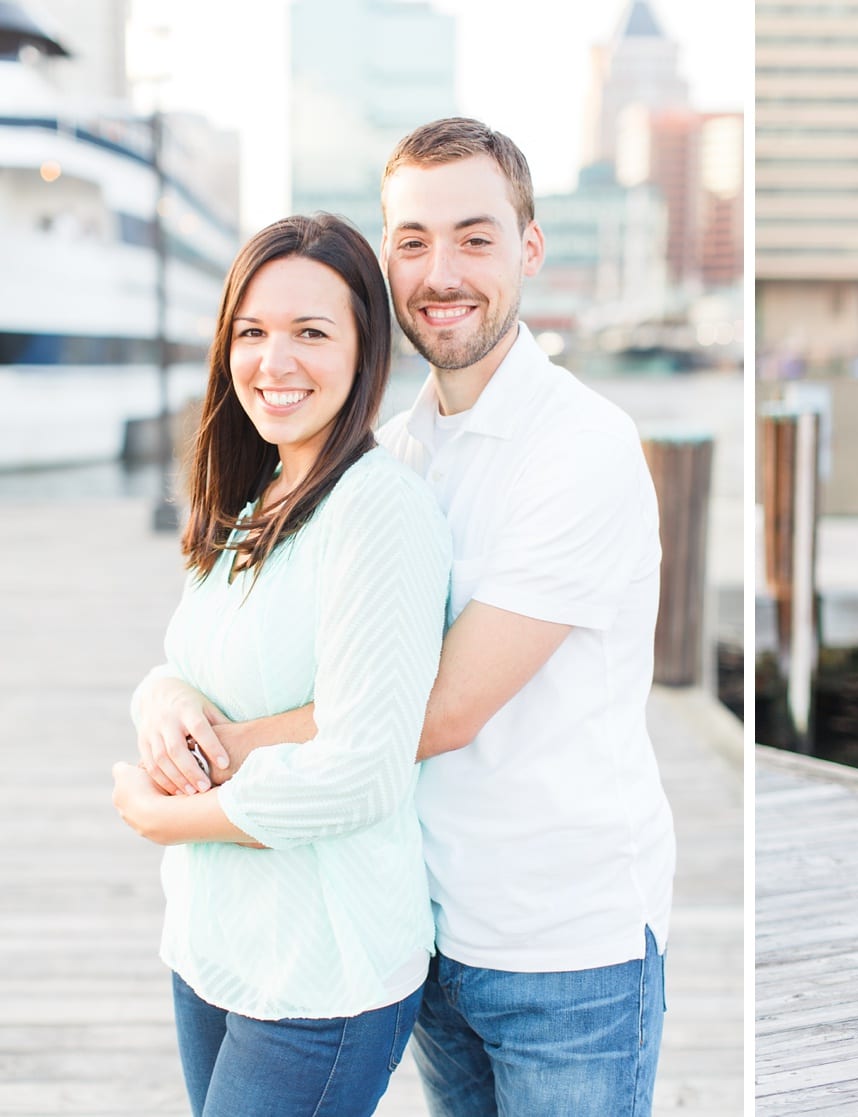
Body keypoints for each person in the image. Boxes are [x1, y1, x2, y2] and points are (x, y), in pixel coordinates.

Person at [134, 118, 675, 1116]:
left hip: (560, 944)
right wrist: (168, 693)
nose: (442, 272)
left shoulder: (580, 446)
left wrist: (205, 763)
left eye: (475, 237)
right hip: (428, 929)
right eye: (414, 240)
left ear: (530, 246)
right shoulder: (393, 451)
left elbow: (437, 710)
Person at [111, 213, 451, 1116]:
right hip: (218, 943)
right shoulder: (258, 488)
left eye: (311, 332)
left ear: (365, 346)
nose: (275, 362)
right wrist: (160, 696)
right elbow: (195, 659)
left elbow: (363, 769)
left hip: (320, 970)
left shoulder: (377, 507)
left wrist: (166, 816)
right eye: (253, 333)